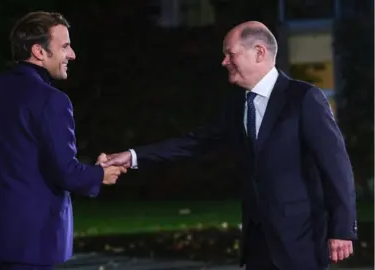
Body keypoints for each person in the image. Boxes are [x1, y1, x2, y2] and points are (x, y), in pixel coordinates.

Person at [100, 21, 357, 270]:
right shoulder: (237, 105)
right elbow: (194, 142)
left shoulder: (304, 99)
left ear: (259, 52)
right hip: (258, 244)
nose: (224, 62)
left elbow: (336, 166)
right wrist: (133, 156)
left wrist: (343, 229)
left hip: (301, 243)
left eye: (230, 54)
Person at [0, 11, 126, 269]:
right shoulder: (52, 101)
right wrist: (101, 175)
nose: (72, 54)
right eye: (65, 46)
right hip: (34, 239)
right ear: (39, 51)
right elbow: (65, 173)